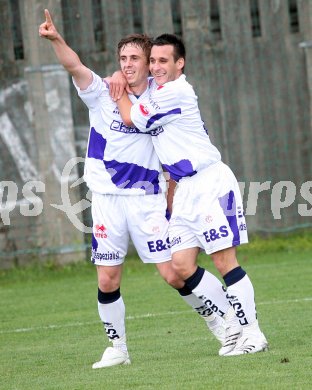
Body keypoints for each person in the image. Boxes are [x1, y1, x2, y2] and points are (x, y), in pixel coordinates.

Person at [39, 12, 238, 368]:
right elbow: (75, 67)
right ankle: (118, 348)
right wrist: (56, 39)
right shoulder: (103, 91)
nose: (127, 65)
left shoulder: (158, 98)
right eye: (123, 59)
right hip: (105, 201)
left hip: (147, 199)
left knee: (174, 272)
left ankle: (222, 322)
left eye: (135, 59)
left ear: (149, 64)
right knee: (107, 276)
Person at [114, 33, 268, 356]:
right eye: (152, 60)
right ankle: (233, 322)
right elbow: (139, 90)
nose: (156, 67)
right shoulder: (158, 91)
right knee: (182, 266)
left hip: (210, 182)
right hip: (184, 189)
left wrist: (118, 90)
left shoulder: (176, 91)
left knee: (224, 260)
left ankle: (253, 334)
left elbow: (130, 116)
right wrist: (123, 76)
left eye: (163, 61)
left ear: (179, 63)